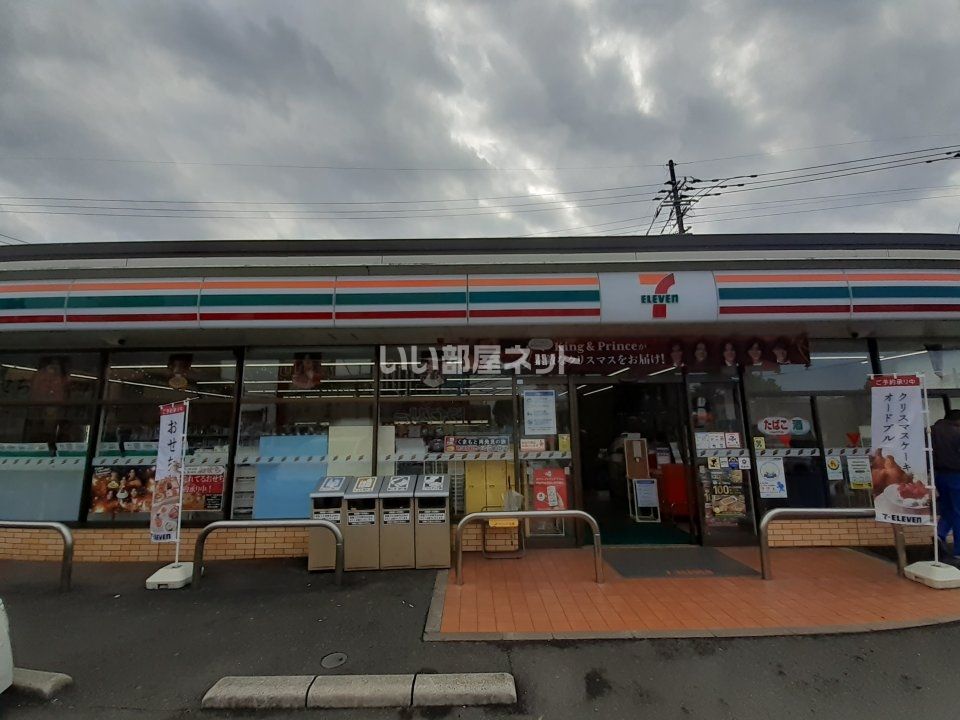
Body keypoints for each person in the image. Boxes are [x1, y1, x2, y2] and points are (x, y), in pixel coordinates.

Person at [931, 409, 960, 560]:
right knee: (958, 513)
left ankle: (939, 535)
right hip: (957, 475)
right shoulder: (957, 433)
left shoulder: (932, 432)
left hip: (939, 476)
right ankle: (958, 550)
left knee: (948, 510)